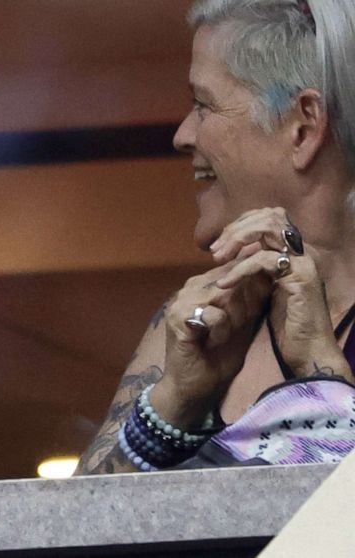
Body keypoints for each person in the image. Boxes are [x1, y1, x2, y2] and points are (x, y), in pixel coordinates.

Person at [78, 0, 355, 474]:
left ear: (303, 126)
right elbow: (65, 535)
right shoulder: (202, 321)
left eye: (203, 105)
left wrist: (321, 375)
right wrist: (172, 408)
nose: (183, 135)